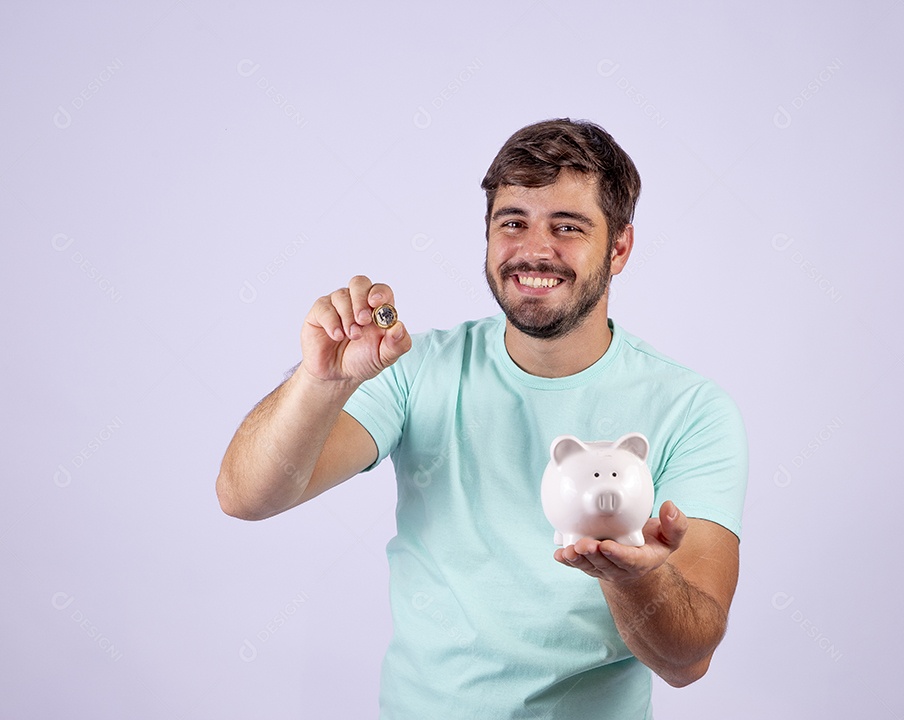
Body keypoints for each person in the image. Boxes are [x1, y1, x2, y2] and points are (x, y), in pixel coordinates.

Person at [216, 118, 748, 719]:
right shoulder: (412, 368)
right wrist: (320, 382)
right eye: (513, 223)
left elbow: (687, 660)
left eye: (567, 227)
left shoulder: (692, 411)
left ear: (619, 247)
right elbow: (245, 496)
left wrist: (632, 578)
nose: (535, 250)